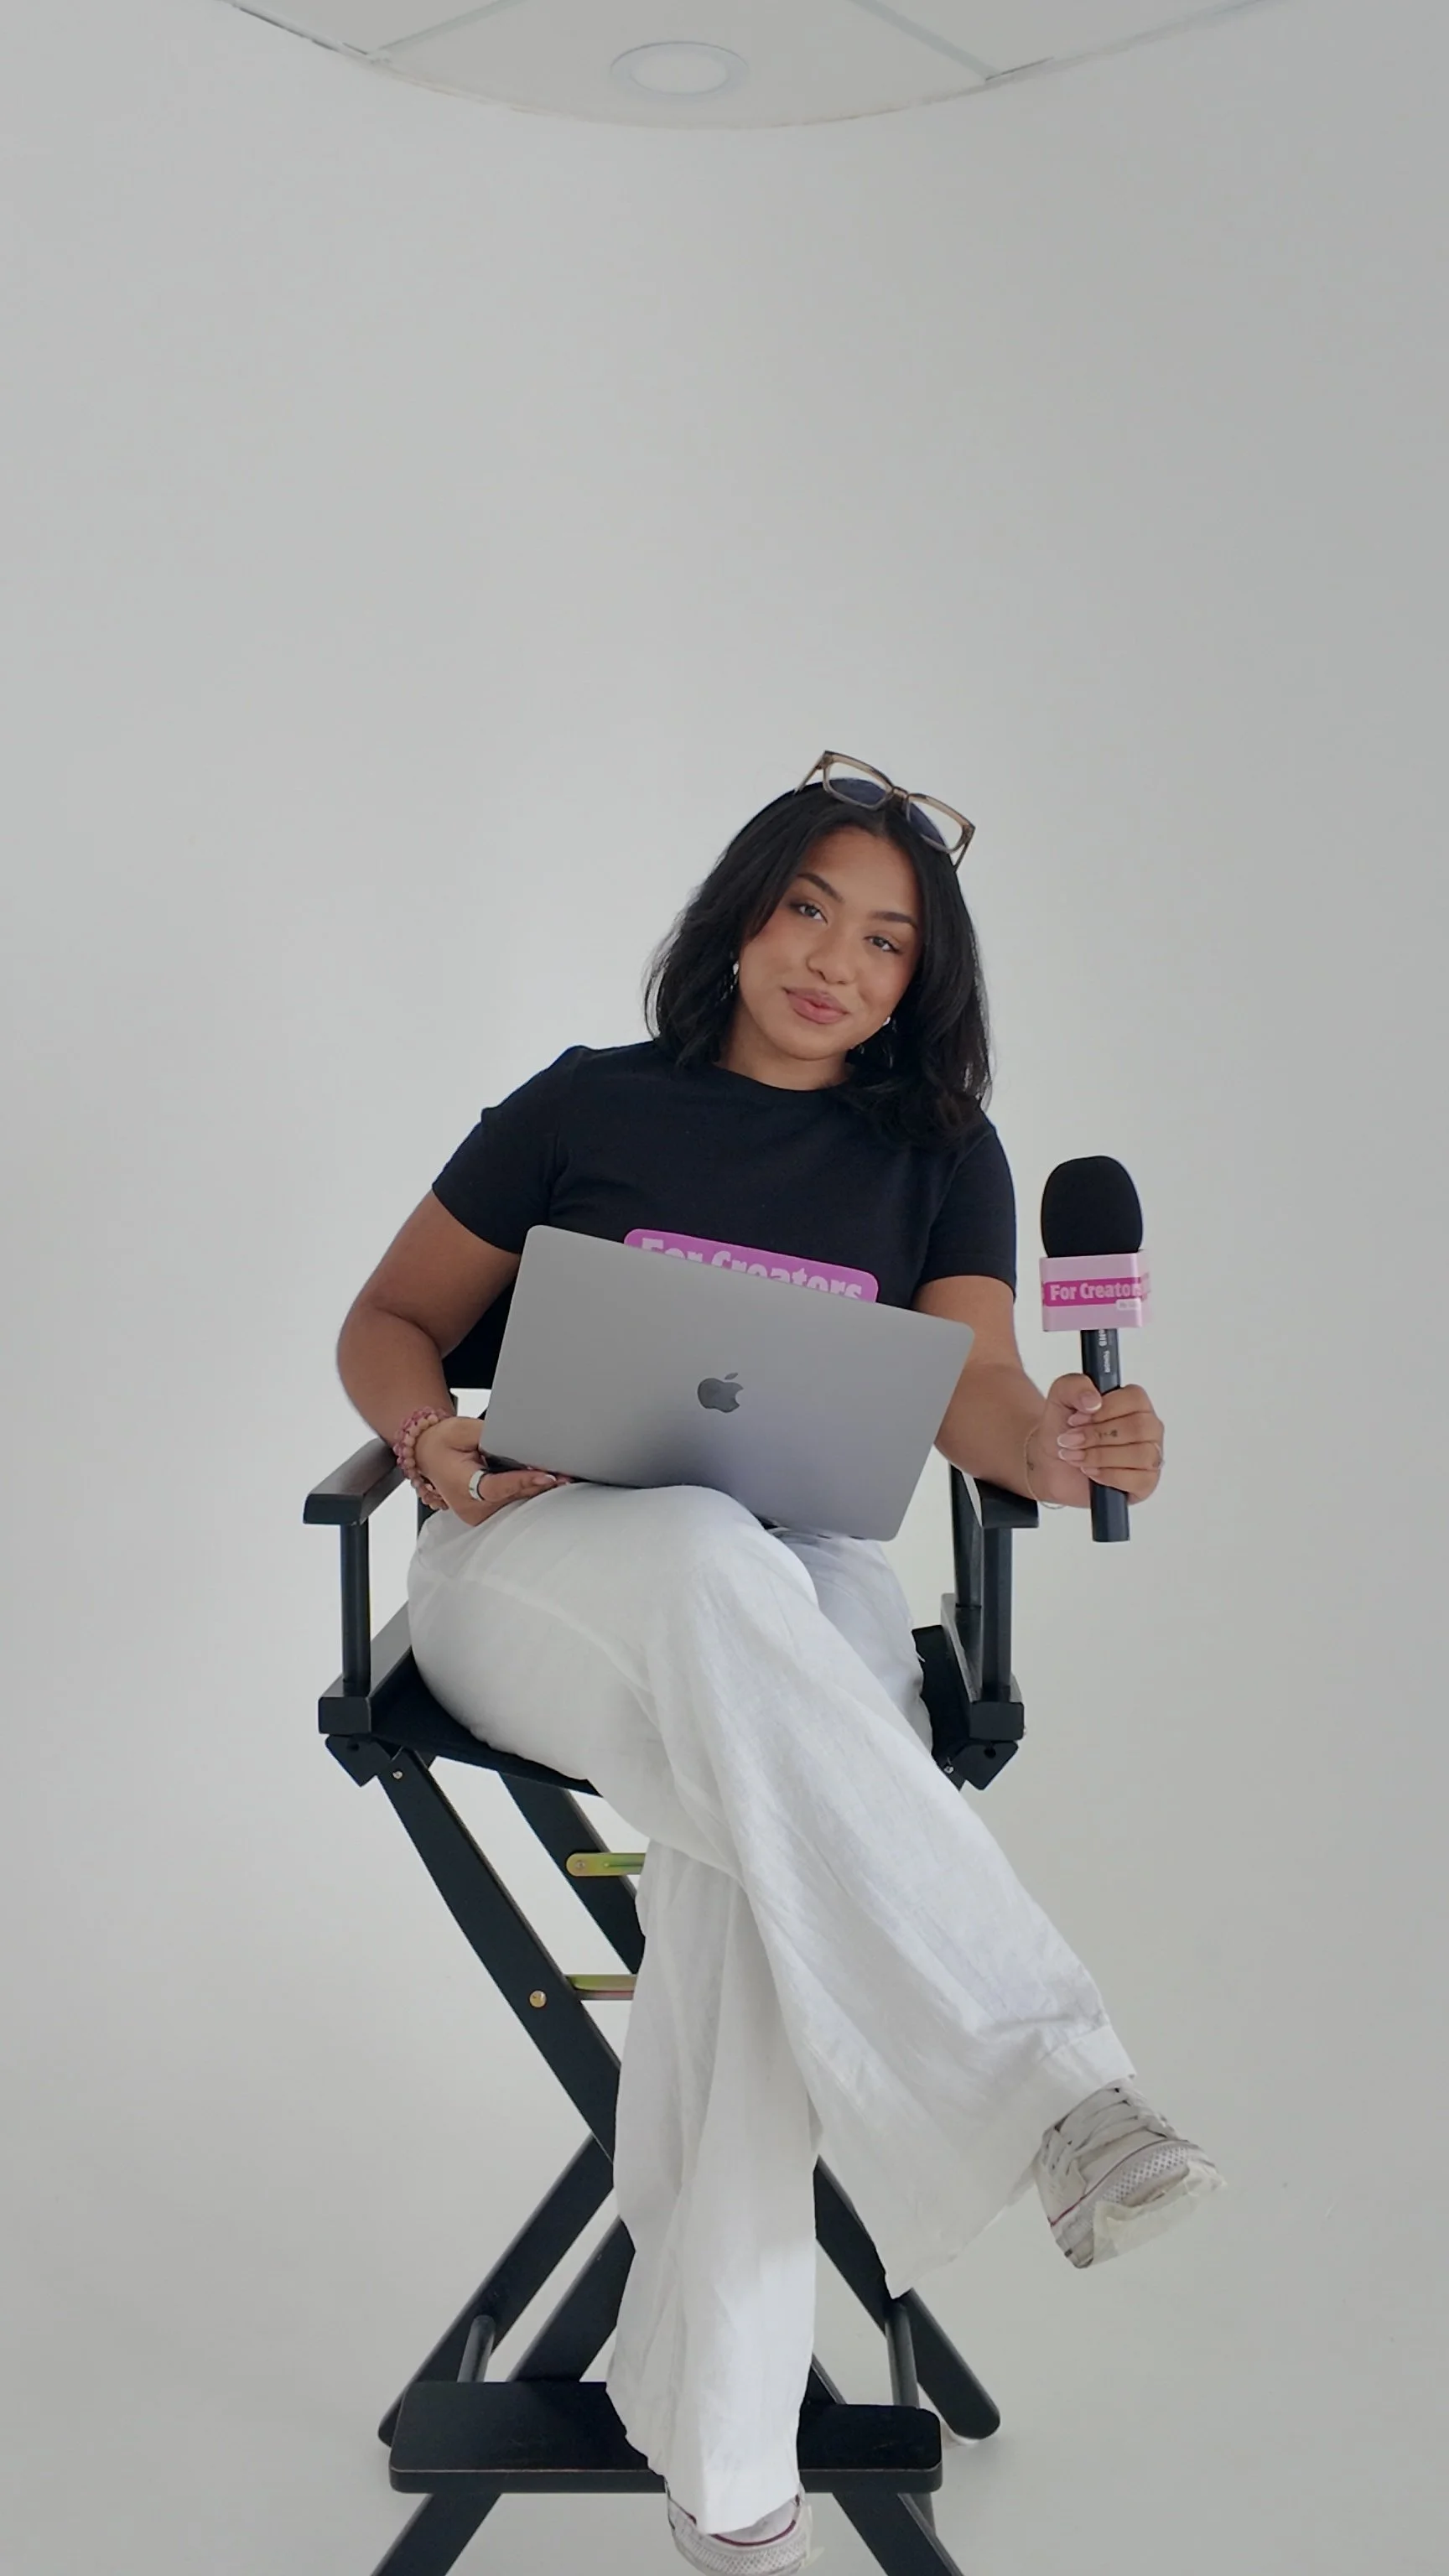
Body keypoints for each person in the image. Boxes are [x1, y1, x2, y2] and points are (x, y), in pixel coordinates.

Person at [335, 753, 1225, 2576]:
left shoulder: (939, 1155)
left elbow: (980, 1394)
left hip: (795, 1589)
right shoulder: (585, 1102)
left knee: (758, 1862)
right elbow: (391, 1317)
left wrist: (1060, 1452)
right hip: (546, 1553)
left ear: (921, 980)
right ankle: (1053, 2090)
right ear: (743, 917)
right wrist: (432, 1442)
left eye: (887, 940)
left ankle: (732, 2475)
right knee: (699, 1562)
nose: (837, 960)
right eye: (811, 909)